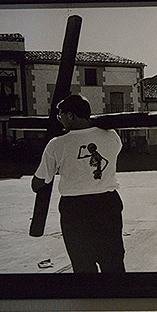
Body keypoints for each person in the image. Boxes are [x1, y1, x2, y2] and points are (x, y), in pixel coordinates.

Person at [31, 94, 126, 273]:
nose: (59, 119)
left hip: (75, 209)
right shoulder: (112, 136)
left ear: (70, 116)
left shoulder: (57, 144)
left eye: (60, 115)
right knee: (113, 262)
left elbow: (39, 182)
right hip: (107, 204)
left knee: (83, 264)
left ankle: (90, 300)